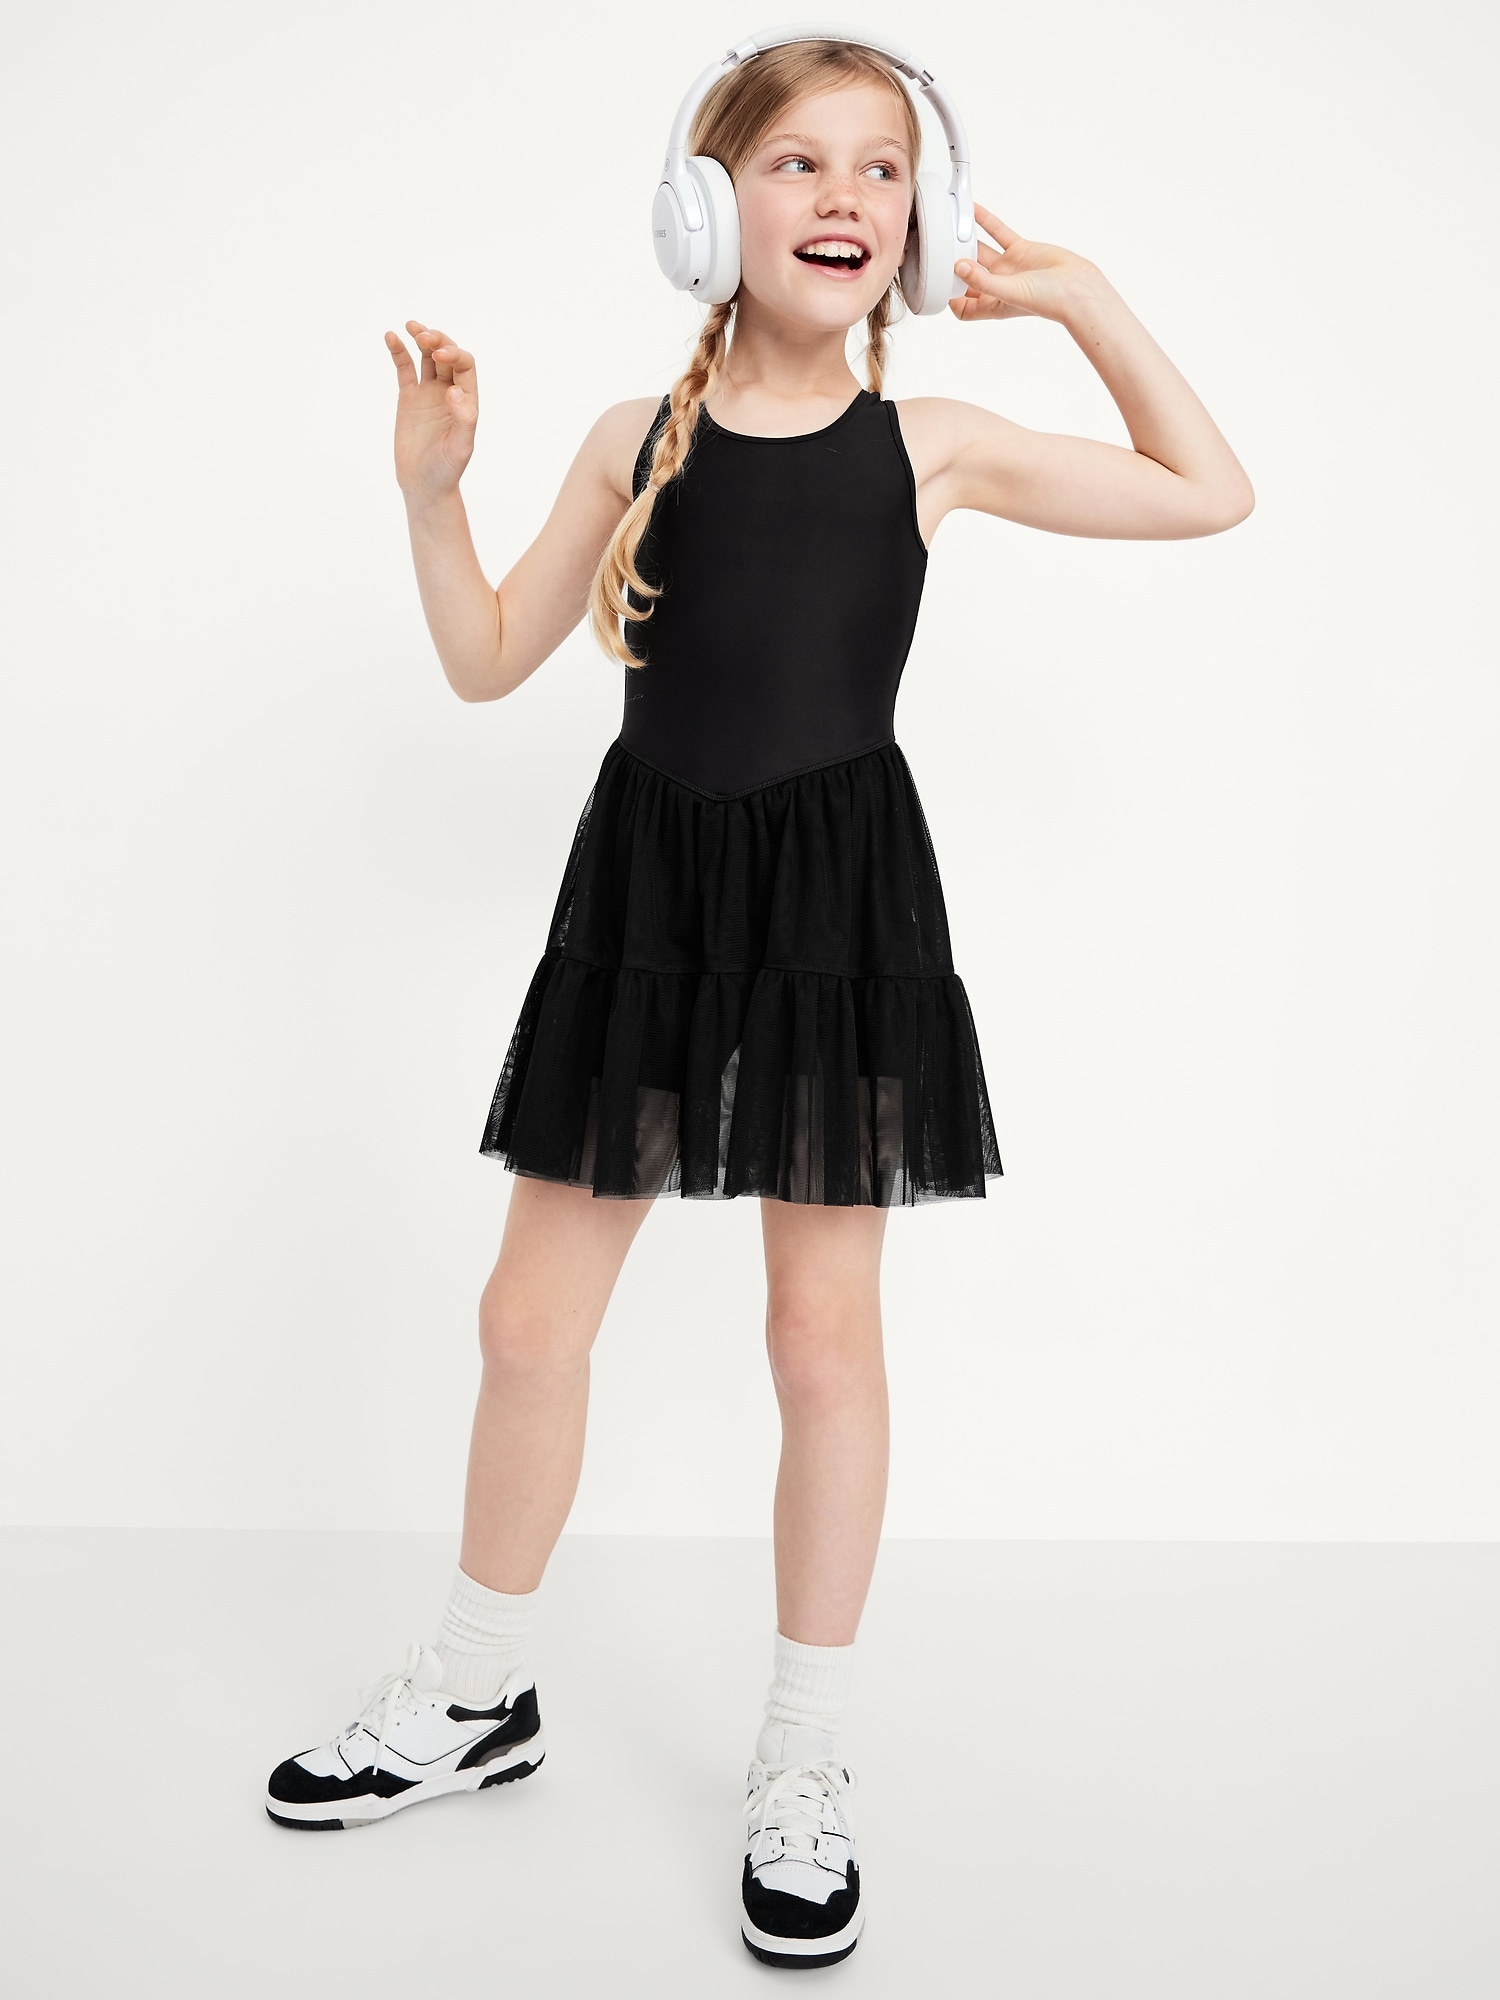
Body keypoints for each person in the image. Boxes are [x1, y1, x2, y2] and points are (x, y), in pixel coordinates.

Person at [263, 33, 1252, 1971]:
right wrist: (432, 495)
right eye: (800, 163)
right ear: (706, 208)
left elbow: (1207, 491)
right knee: (526, 1318)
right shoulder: (634, 437)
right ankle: (474, 1689)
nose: (847, 199)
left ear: (921, 222)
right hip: (646, 892)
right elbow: (485, 658)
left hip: (835, 902)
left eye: (885, 169)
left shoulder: (931, 443)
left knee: (819, 1343)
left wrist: (1081, 299)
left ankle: (803, 1752)